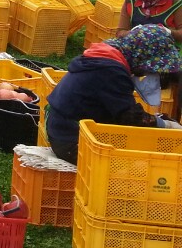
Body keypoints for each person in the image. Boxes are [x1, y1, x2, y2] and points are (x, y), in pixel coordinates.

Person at [46, 24, 182, 165]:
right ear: (144, 55)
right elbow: (130, 117)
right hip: (71, 140)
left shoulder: (106, 57)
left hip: (61, 128)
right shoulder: (111, 70)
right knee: (139, 166)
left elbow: (119, 107)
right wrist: (166, 126)